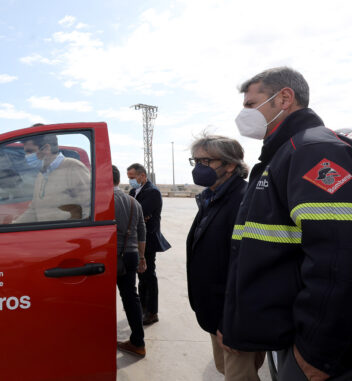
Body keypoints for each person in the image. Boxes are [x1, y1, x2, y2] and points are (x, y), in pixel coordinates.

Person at [222, 67, 352, 381]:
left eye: (251, 104)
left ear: (284, 98)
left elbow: (337, 257)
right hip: (286, 330)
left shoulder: (314, 150)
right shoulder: (283, 153)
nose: (244, 114)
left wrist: (317, 353)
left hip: (313, 347)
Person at [186, 134, 265, 380]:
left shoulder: (244, 200)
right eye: (195, 161)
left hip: (234, 318)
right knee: (224, 369)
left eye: (206, 161)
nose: (199, 167)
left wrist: (231, 322)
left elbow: (248, 269)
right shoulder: (212, 197)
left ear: (230, 164)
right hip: (217, 313)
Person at [126, 163, 170, 325]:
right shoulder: (133, 191)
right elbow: (134, 215)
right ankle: (143, 306)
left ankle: (152, 312)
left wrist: (137, 217)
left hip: (149, 239)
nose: (130, 181)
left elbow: (138, 214)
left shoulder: (152, 192)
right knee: (141, 275)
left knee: (149, 275)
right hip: (136, 238)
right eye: (129, 178)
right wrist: (138, 218)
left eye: (132, 178)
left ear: (142, 176)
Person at [14, 134, 90, 223]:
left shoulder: (72, 167)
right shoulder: (41, 175)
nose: (26, 156)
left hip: (68, 235)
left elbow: (89, 206)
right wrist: (11, 228)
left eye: (30, 151)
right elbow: (34, 210)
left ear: (46, 148)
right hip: (49, 235)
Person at [113, 165, 148, 357]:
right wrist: (142, 258)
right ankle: (138, 342)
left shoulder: (102, 201)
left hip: (110, 256)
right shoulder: (134, 203)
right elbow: (141, 233)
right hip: (132, 254)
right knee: (131, 297)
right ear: (119, 180)